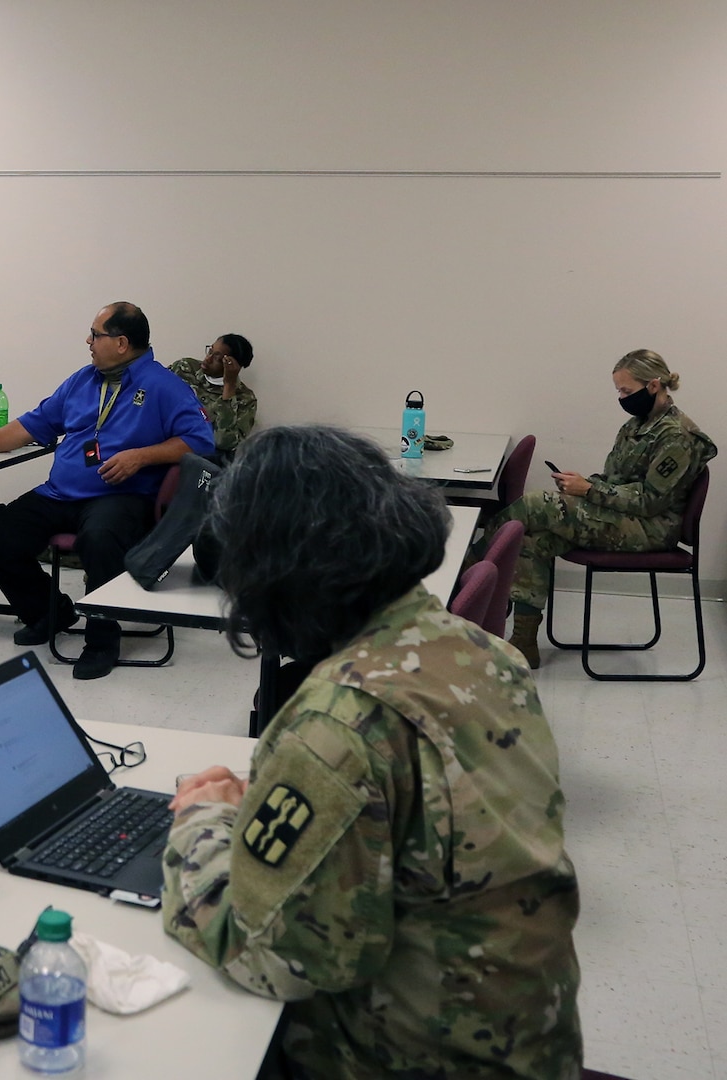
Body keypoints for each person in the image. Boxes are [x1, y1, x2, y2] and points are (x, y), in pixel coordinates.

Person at [161, 425, 582, 1080]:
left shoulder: (338, 723)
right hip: (524, 1044)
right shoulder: (480, 651)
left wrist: (199, 821)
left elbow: (285, 960)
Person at [0, 302, 214, 679]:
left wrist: (142, 457)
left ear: (121, 342)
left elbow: (200, 441)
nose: (88, 341)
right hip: (60, 493)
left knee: (99, 540)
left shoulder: (164, 386)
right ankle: (50, 614)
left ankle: (102, 642)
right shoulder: (82, 380)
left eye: (96, 334)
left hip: (121, 496)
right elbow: (30, 427)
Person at [472, 348, 715, 668]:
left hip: (651, 528)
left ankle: (472, 573)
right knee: (534, 539)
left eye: (626, 390)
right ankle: (523, 641)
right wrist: (584, 483)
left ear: (654, 385)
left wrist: (589, 490)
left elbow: (649, 501)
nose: (622, 397)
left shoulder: (679, 436)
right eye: (619, 390)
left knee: (537, 504)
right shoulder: (636, 426)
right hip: (625, 518)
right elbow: (615, 480)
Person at [169, 333, 257, 459]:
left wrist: (229, 387)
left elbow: (224, 443)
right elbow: (155, 392)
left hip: (195, 457)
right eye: (210, 351)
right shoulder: (184, 367)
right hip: (163, 436)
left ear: (231, 365)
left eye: (217, 358)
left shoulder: (245, 399)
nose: (208, 359)